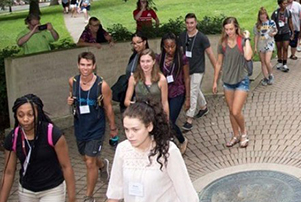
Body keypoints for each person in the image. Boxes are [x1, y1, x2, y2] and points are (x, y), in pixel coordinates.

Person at [106, 97, 199, 202]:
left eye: (135, 129)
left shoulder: (168, 151)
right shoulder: (123, 149)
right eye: (126, 129)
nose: (130, 135)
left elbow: (186, 192)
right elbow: (115, 192)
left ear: (149, 126)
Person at [0, 94, 76, 202]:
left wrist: (72, 198)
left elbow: (66, 166)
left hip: (52, 190)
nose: (25, 119)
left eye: (30, 115)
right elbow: (8, 172)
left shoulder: (53, 134)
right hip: (26, 190)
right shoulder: (13, 137)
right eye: (20, 115)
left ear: (38, 114)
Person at [67, 52, 118, 202]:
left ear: (94, 66)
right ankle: (103, 165)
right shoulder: (73, 81)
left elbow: (108, 108)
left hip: (96, 127)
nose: (85, 68)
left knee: (90, 162)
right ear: (78, 65)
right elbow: (72, 97)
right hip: (80, 126)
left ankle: (89, 196)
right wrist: (69, 101)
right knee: (86, 157)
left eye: (89, 65)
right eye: (82, 64)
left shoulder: (102, 86)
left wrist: (113, 128)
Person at [213, 17, 253, 148]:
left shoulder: (242, 41)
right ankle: (235, 135)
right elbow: (218, 63)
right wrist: (215, 81)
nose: (229, 31)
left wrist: (247, 39)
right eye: (226, 29)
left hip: (241, 79)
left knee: (236, 111)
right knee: (231, 111)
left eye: (231, 29)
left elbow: (248, 56)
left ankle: (244, 134)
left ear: (236, 27)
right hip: (227, 81)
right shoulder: (223, 43)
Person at [179, 13, 217, 131]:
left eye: (192, 23)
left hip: (198, 69)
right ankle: (203, 107)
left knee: (192, 92)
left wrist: (217, 67)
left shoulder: (202, 37)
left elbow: (210, 53)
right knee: (195, 89)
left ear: (196, 23)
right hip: (186, 69)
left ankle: (189, 119)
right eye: (187, 23)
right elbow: (179, 52)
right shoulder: (182, 36)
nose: (189, 25)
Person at [157, 32, 190, 154]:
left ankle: (182, 140)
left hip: (178, 92)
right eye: (167, 46)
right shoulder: (159, 59)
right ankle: (169, 141)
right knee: (163, 120)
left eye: (172, 46)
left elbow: (187, 78)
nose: (170, 49)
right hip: (164, 93)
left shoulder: (182, 58)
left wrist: (188, 98)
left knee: (170, 120)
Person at [124, 49, 169, 118]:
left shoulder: (161, 79)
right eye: (142, 61)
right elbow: (126, 101)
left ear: (153, 61)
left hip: (156, 114)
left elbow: (164, 102)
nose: (145, 64)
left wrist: (167, 119)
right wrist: (136, 105)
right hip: (140, 115)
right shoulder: (134, 78)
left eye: (148, 61)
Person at [115, 33, 149, 113]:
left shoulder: (148, 57)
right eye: (134, 43)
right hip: (130, 91)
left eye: (138, 42)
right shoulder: (134, 55)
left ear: (144, 42)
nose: (136, 45)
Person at [253, 7, 277, 85]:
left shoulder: (271, 22)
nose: (262, 16)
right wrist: (255, 47)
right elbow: (256, 36)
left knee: (267, 61)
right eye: (261, 15)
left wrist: (273, 34)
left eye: (264, 14)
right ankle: (265, 77)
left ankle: (271, 75)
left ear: (266, 15)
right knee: (263, 62)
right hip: (261, 44)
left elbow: (275, 31)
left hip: (269, 43)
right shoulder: (257, 25)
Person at [272, 0, 294, 72]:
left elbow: (290, 23)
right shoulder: (275, 13)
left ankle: (285, 62)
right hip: (278, 32)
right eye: (283, 3)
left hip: (286, 32)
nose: (285, 5)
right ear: (280, 4)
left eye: (286, 3)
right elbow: (272, 23)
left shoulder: (288, 12)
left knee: (285, 47)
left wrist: (292, 32)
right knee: (279, 47)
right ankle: (279, 60)